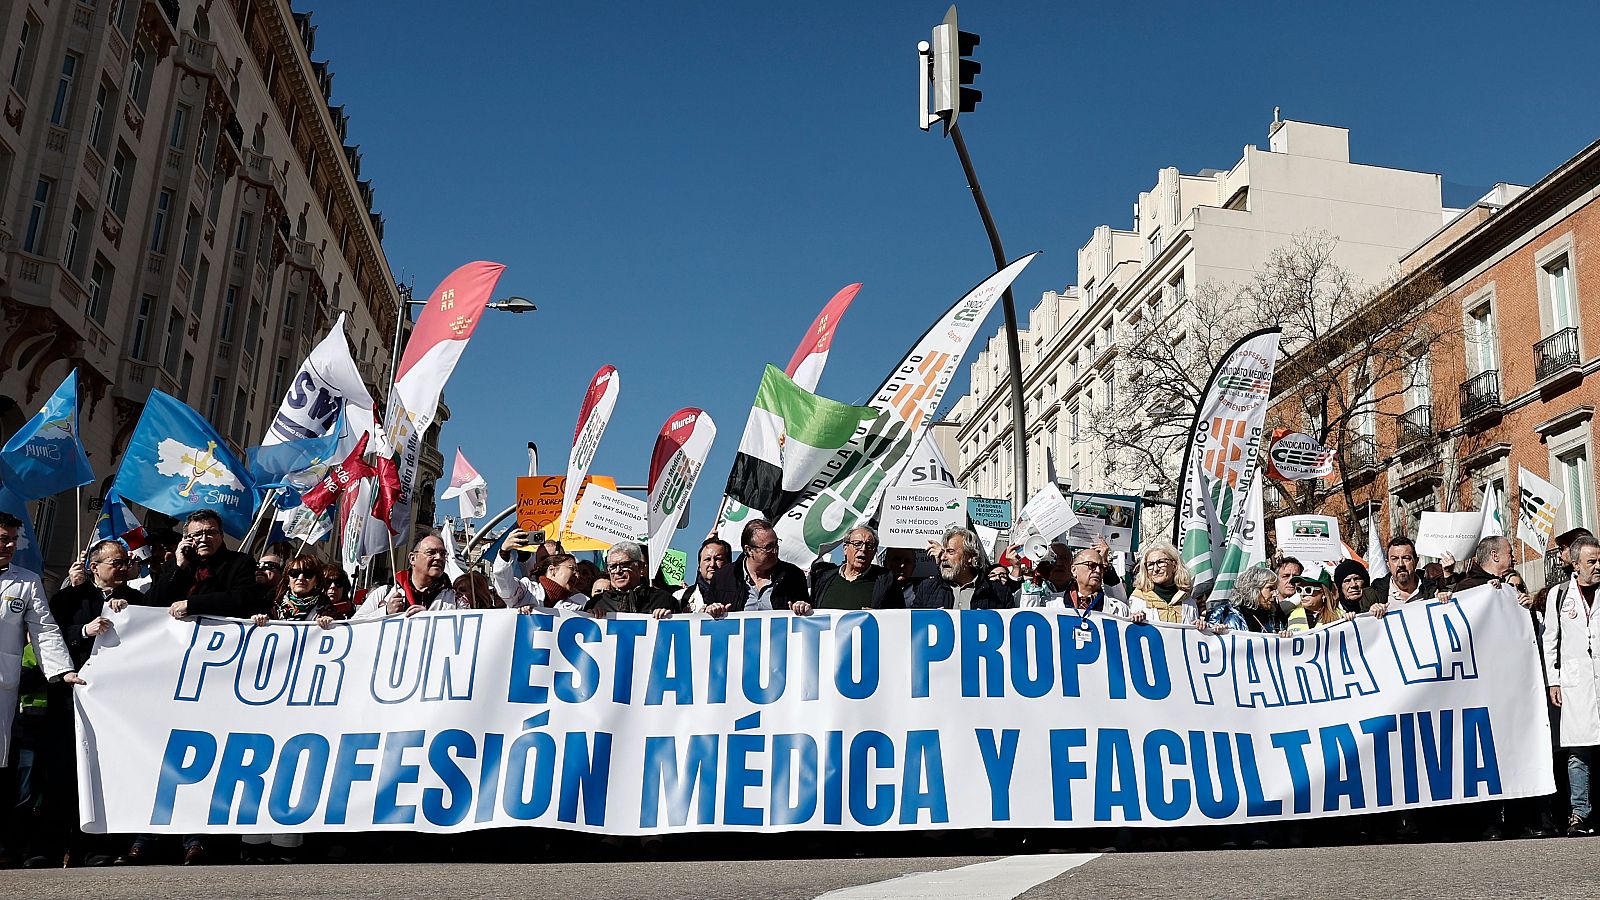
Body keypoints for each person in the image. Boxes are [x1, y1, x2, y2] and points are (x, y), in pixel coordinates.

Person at [0, 513, 85, 865]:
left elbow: (45, 628)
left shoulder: (26, 581)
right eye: (3, 537)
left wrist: (61, 670)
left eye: (13, 539)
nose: (9, 545)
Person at [1542, 535, 1600, 836]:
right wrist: (1554, 680)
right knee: (1578, 752)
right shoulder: (1559, 595)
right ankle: (1580, 813)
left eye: (1599, 560)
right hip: (1575, 682)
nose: (1598, 566)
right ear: (1576, 565)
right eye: (1592, 562)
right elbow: (1549, 640)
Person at [150, 510, 267, 621]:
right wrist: (179, 567)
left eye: (211, 533)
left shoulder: (240, 562)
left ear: (221, 535)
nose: (204, 539)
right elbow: (152, 602)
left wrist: (191, 604)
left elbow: (241, 598)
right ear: (187, 539)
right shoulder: (174, 565)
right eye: (197, 534)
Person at [705, 520, 812, 616]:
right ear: (749, 550)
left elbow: (805, 621)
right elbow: (707, 617)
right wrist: (712, 610)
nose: (775, 551)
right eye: (768, 547)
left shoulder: (793, 576)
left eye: (776, 544)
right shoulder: (723, 577)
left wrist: (802, 607)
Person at [351, 534, 461, 620]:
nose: (439, 557)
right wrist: (385, 611)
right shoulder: (384, 593)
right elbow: (355, 625)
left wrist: (429, 619)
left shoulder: (455, 599)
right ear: (413, 559)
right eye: (431, 552)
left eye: (442, 554)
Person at [912, 526, 1011, 610]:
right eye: (943, 551)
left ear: (969, 556)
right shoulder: (926, 589)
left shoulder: (999, 593)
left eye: (950, 552)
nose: (942, 557)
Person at [810, 527, 896, 611]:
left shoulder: (886, 581)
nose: (863, 549)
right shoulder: (822, 579)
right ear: (845, 549)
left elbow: (898, 618)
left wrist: (879, 617)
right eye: (857, 544)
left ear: (874, 553)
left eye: (869, 546)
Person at [587, 541, 678, 618]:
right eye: (613, 567)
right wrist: (589, 617)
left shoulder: (664, 600)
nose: (618, 571)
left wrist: (669, 619)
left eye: (624, 565)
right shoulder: (596, 603)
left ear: (640, 566)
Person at [1128, 540, 1203, 625]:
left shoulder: (1188, 602)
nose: (1155, 569)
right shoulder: (1138, 600)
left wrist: (1201, 627)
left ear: (1174, 565)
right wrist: (1134, 621)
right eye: (1150, 565)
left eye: (1160, 562)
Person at [1204, 564, 1290, 634]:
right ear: (1254, 589)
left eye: (1275, 589)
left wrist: (1285, 638)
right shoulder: (1223, 614)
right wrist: (1216, 633)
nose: (1275, 594)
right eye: (1270, 589)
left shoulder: (1274, 619)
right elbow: (1209, 643)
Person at [1366, 536, 1440, 617]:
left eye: (1406, 558)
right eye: (1395, 559)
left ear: (1416, 561)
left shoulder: (1434, 590)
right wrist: (1369, 614)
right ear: (1388, 564)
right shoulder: (1373, 595)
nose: (1401, 564)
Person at [677, 538, 731, 612]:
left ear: (729, 564)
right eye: (707, 559)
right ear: (699, 566)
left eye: (718, 559)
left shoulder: (742, 595)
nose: (712, 564)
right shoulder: (680, 597)